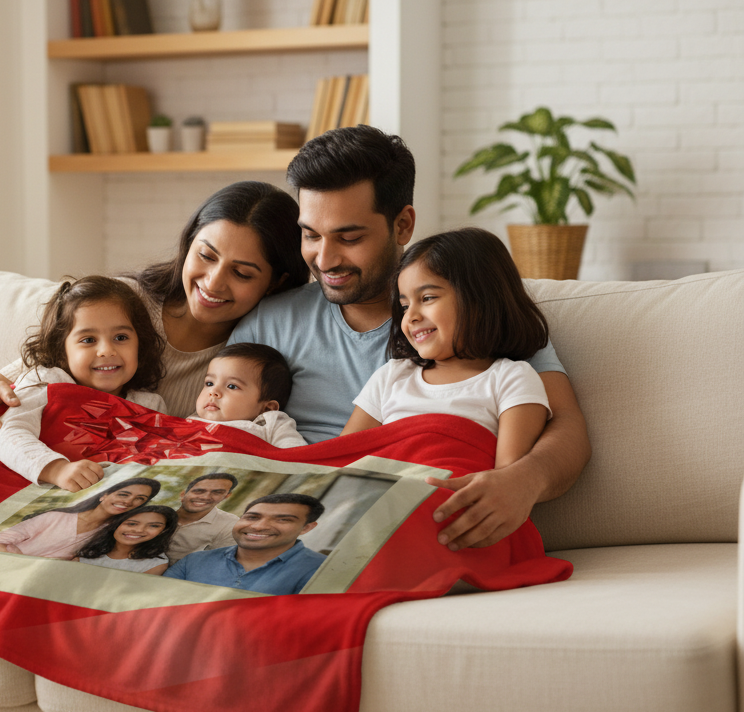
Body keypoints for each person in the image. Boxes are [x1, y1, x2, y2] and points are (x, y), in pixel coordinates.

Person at [229, 125, 591, 551]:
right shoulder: (267, 322)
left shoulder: (480, 318)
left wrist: (522, 481)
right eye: (310, 235)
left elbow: (567, 426)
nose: (324, 259)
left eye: (349, 237)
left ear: (402, 224)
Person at [0, 180, 310, 435]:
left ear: (277, 282)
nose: (214, 282)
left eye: (242, 273)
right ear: (188, 244)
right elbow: (23, 376)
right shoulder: (124, 302)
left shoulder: (252, 358)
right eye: (205, 255)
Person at [341, 228, 552, 469]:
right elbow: (341, 458)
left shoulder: (512, 379)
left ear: (480, 299)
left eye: (428, 298)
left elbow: (504, 482)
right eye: (404, 305)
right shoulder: (392, 376)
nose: (411, 317)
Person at [0, 276, 166, 491]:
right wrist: (57, 469)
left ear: (141, 344)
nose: (106, 351)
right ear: (62, 352)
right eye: (88, 340)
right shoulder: (48, 381)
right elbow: (6, 432)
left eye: (120, 337)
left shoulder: (150, 406)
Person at [164, 494, 326, 595]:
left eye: (283, 519)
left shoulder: (323, 570)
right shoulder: (195, 560)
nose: (258, 526)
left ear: (306, 527)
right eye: (252, 517)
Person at [0, 478, 161, 560]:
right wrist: (21, 563)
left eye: (139, 499)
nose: (129, 501)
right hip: (2, 565)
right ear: (104, 495)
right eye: (123, 494)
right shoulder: (55, 517)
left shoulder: (113, 536)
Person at [188, 342, 306, 448]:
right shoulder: (191, 422)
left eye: (232, 386)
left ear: (267, 408)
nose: (213, 392)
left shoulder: (270, 424)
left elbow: (296, 454)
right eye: (209, 383)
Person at [72, 505, 179, 575]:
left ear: (163, 531)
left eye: (154, 526)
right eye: (131, 523)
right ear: (116, 524)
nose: (138, 530)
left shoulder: (156, 564)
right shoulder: (90, 549)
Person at [165, 472, 240, 565]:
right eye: (199, 491)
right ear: (183, 494)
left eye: (217, 492)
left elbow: (218, 563)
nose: (205, 497)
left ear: (226, 496)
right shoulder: (159, 512)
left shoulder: (230, 525)